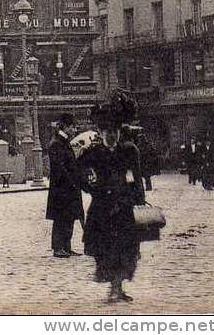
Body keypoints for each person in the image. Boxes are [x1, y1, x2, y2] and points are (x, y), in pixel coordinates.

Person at [80, 94, 146, 303]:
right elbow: (78, 172)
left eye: (115, 132)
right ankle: (113, 286)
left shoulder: (128, 151)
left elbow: (136, 177)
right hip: (102, 209)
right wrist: (91, 186)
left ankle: (118, 286)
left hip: (124, 207)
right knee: (106, 249)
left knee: (126, 249)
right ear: (101, 132)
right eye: (108, 132)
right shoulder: (93, 152)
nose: (112, 136)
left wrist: (138, 199)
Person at [47, 114, 85, 258]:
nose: (74, 130)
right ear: (65, 126)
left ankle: (66, 247)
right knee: (60, 217)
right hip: (61, 187)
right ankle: (58, 247)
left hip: (68, 186)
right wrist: (71, 181)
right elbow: (60, 167)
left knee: (69, 216)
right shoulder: (56, 142)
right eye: (72, 127)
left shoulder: (64, 141)